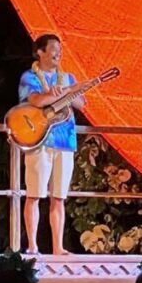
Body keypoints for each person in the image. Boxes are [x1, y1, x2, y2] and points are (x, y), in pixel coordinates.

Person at [19, 34, 85, 255]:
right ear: (40, 52)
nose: (58, 53)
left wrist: (67, 91)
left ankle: (58, 246)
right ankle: (32, 246)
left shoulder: (67, 77)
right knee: (34, 194)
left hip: (65, 141)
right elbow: (36, 100)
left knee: (59, 197)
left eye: (60, 49)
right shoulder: (30, 77)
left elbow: (81, 103)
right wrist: (54, 93)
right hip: (39, 140)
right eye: (54, 49)